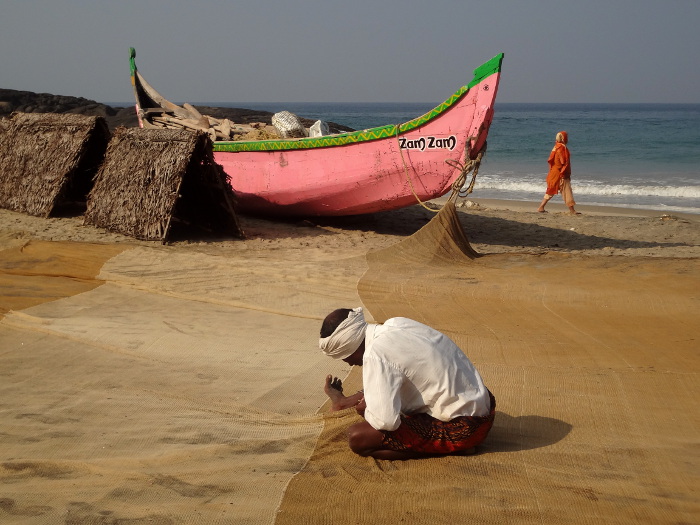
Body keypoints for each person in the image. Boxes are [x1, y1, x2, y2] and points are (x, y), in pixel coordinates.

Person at [319, 307, 496, 460]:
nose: (348, 363)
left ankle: (454, 450)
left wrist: (365, 411)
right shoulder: (397, 323)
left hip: (465, 430)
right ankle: (344, 402)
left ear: (350, 346)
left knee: (357, 438)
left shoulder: (376, 353)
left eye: (344, 357)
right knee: (389, 380)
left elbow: (386, 422)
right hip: (483, 408)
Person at [537, 131, 580, 214]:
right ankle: (572, 210)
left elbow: (552, 161)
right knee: (566, 190)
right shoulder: (562, 148)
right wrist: (564, 173)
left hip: (553, 172)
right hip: (560, 173)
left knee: (550, 191)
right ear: (564, 138)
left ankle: (541, 207)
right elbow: (563, 162)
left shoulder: (555, 147)